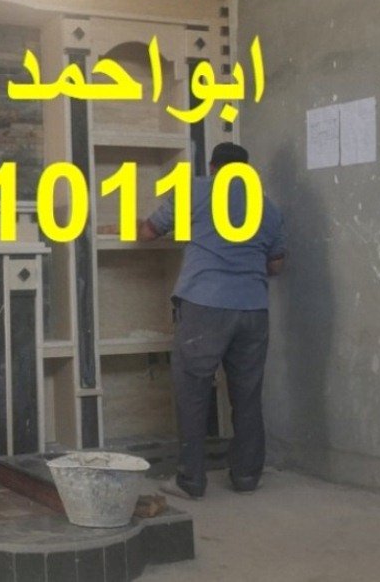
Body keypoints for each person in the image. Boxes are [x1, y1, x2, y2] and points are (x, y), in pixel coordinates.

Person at [135, 142, 285, 498]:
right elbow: (277, 264)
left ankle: (190, 480)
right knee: (247, 394)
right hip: (253, 309)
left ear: (214, 167)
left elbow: (149, 232)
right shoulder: (267, 205)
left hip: (205, 305)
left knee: (193, 392)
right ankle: (246, 476)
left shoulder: (195, 190)